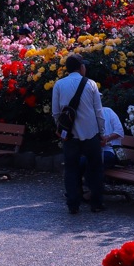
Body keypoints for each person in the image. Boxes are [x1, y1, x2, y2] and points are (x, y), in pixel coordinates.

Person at [52, 53, 105, 214]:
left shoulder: (59, 85)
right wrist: (102, 132)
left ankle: (73, 204)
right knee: (95, 168)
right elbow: (99, 112)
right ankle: (96, 203)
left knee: (71, 169)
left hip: (70, 135)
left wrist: (63, 130)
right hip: (91, 133)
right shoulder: (91, 84)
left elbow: (55, 113)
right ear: (81, 67)